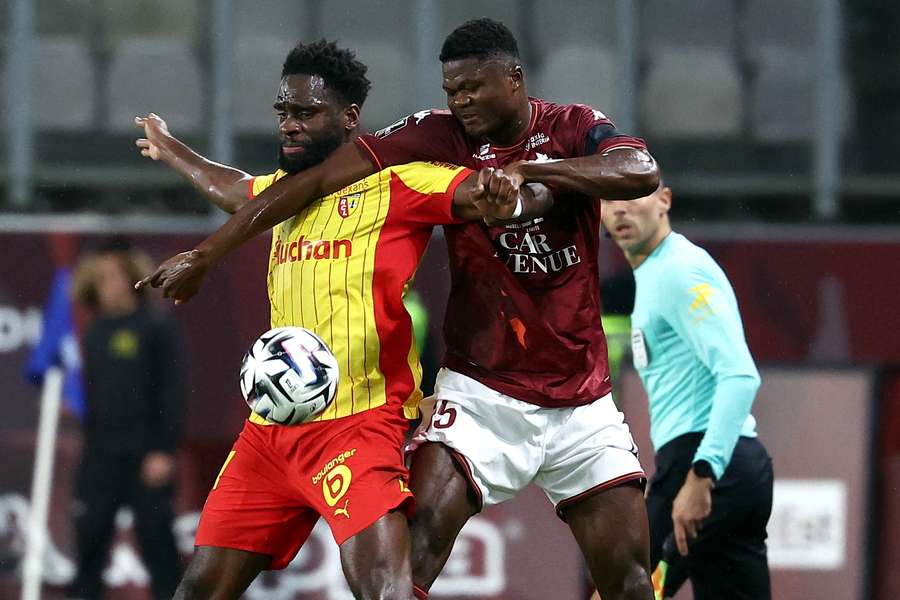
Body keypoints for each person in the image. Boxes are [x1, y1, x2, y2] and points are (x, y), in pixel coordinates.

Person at [139, 19, 660, 600]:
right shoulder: (389, 154)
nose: (459, 103)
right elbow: (247, 189)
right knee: (223, 585)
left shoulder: (444, 169)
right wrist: (175, 160)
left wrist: (522, 183)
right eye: (451, 91)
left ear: (514, 78)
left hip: (542, 404)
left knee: (630, 582)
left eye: (305, 114)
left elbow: (615, 177)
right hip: (453, 398)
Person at [600, 176, 774, 600]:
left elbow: (739, 375)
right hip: (731, 468)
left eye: (634, 196)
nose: (621, 209)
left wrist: (702, 477)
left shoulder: (679, 270)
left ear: (664, 201)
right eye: (610, 200)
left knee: (624, 592)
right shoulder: (656, 274)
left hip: (707, 468)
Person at [68, 238, 185, 600]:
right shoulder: (94, 331)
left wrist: (163, 450)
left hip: (146, 455)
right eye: (101, 279)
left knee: (157, 544)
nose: (109, 286)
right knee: (89, 539)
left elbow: (173, 391)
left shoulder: (157, 327)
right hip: (100, 455)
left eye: (115, 276)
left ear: (133, 279)